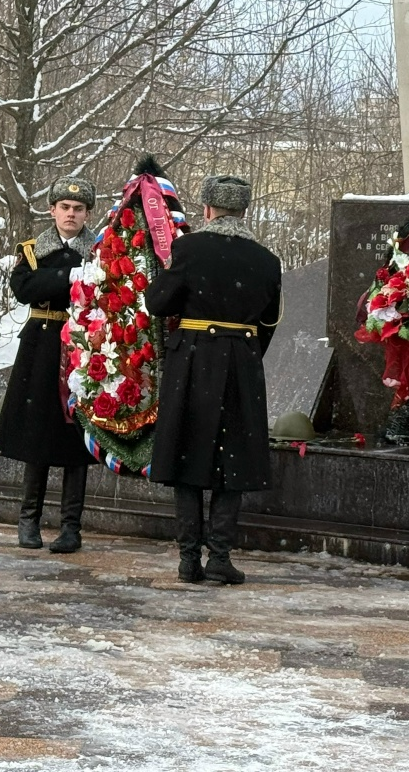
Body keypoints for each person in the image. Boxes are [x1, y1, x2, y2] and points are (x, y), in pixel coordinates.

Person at [146, 174, 282, 585]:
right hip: (241, 358)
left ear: (207, 209)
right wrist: (242, 348)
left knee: (186, 453)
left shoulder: (188, 249)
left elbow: (158, 302)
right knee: (234, 456)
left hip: (191, 358)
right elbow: (269, 320)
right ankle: (220, 554)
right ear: (244, 211)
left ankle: (189, 558)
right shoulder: (266, 259)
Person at [0, 175, 97, 553]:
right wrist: (69, 277)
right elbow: (24, 289)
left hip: (84, 348)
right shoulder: (35, 249)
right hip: (42, 345)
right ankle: (29, 520)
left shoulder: (99, 251)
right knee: (37, 432)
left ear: (87, 214)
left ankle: (71, 526)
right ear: (52, 210)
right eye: (65, 207)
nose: (71, 214)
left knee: (77, 438)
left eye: (79, 209)